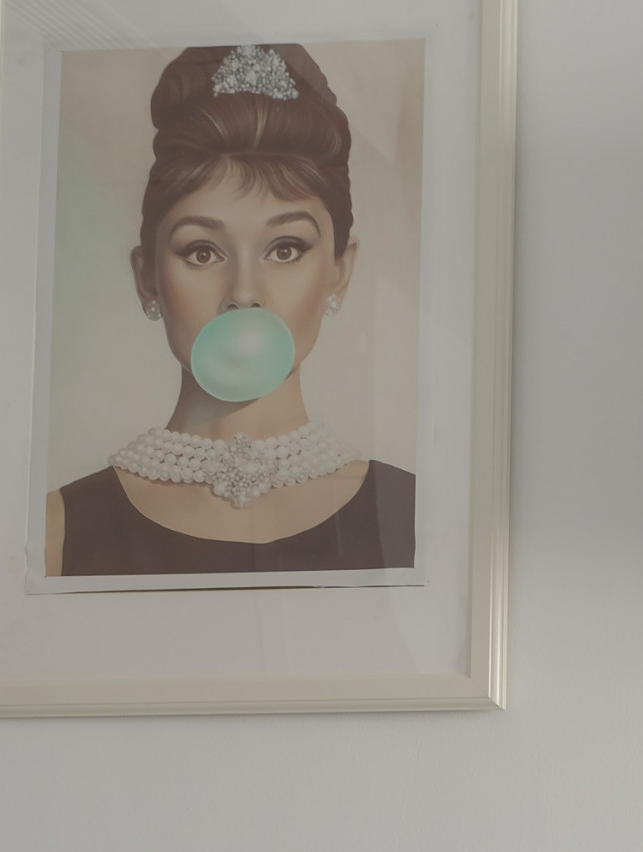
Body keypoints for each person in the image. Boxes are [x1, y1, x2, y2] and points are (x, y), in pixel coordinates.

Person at [47, 42, 414, 577]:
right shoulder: (57, 530)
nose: (243, 293)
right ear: (147, 278)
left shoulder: (413, 518)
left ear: (340, 269)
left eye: (285, 250)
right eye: (202, 252)